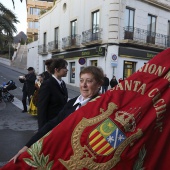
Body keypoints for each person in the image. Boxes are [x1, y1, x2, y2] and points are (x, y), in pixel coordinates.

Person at [10, 65, 104, 163]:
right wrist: (27, 146)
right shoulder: (72, 102)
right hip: (62, 155)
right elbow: (53, 124)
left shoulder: (101, 109)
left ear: (99, 84)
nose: (83, 85)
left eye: (89, 81)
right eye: (81, 80)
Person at [37, 58, 68, 130]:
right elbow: (42, 108)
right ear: (56, 70)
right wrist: (42, 130)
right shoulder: (47, 84)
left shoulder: (62, 83)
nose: (67, 70)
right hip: (50, 125)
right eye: (64, 68)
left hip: (60, 123)